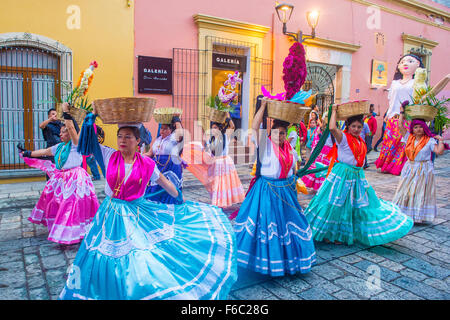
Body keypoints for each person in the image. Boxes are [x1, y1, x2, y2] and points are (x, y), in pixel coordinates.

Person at [60, 112, 237, 300]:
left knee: (137, 255)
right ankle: (101, 288)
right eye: (120, 136)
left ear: (138, 141)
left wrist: (179, 199)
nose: (122, 140)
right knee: (100, 253)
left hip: (135, 212)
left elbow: (165, 183)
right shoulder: (109, 155)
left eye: (128, 137)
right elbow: (86, 145)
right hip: (109, 213)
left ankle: (135, 290)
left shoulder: (146, 163)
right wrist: (84, 121)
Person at [303, 104, 413, 246]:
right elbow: (332, 128)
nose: (356, 129)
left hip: (356, 177)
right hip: (342, 175)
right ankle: (328, 233)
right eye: (353, 126)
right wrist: (334, 111)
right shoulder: (343, 138)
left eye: (359, 127)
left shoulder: (360, 141)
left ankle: (340, 234)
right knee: (335, 204)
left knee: (354, 205)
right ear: (348, 127)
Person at [233, 99, 316, 276]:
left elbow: (294, 168)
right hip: (267, 191)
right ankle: (263, 261)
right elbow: (254, 127)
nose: (280, 136)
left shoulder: (290, 148)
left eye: (283, 133)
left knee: (288, 225)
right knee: (266, 225)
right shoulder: (265, 144)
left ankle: (288, 260)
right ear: (272, 133)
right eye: (277, 133)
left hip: (286, 192)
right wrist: (263, 107)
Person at [17, 102, 99, 245]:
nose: (61, 134)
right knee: (56, 202)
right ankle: (61, 226)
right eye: (60, 132)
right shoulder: (59, 147)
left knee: (70, 205)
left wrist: (66, 114)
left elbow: (73, 128)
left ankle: (70, 231)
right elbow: (44, 152)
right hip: (61, 178)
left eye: (64, 131)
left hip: (75, 179)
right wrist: (28, 152)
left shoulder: (76, 144)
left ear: (70, 131)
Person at [391, 105, 447, 223]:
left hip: (423, 169)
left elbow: (439, 151)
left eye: (421, 127)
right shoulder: (408, 138)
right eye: (416, 127)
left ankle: (417, 215)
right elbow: (400, 125)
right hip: (409, 167)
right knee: (405, 190)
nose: (418, 129)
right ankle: (404, 212)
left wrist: (441, 140)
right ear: (412, 128)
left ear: (424, 128)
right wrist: (402, 112)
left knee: (419, 191)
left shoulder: (429, 140)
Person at [375, 54, 424, 175]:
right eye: (402, 62)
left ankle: (400, 166)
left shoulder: (417, 83)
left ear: (418, 65)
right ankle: (388, 164)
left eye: (410, 61)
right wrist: (388, 113)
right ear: (398, 66)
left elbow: (421, 100)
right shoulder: (395, 83)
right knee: (390, 141)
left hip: (409, 118)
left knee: (403, 142)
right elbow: (391, 100)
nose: (405, 64)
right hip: (393, 117)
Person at [201, 118, 245, 207]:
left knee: (225, 183)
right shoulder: (212, 139)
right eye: (212, 128)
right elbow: (209, 151)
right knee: (218, 183)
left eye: (215, 128)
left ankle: (223, 201)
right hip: (216, 164)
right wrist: (205, 142)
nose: (213, 130)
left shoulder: (225, 135)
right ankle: (219, 200)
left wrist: (227, 117)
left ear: (220, 128)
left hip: (225, 162)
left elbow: (232, 126)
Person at [144, 115, 184, 204]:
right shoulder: (158, 140)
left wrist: (177, 120)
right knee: (156, 188)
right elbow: (150, 153)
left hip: (171, 168)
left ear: (171, 130)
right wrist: (138, 156)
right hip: (158, 168)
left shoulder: (174, 138)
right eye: (161, 128)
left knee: (169, 189)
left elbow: (180, 135)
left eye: (165, 129)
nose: (162, 131)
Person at [301, 112, 334, 191]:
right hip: (322, 152)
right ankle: (318, 187)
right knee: (318, 169)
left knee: (324, 170)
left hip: (328, 153)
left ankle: (323, 187)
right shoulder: (320, 129)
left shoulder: (332, 131)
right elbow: (319, 142)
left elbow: (331, 142)